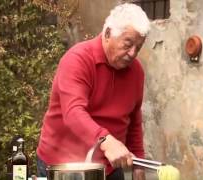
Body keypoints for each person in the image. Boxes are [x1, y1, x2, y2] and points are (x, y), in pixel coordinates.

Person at [36, 3, 150, 180]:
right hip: (64, 167)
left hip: (110, 166)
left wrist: (138, 162)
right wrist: (106, 140)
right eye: (128, 44)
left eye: (139, 47)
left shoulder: (136, 72)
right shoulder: (78, 60)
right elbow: (73, 112)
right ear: (107, 33)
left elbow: (133, 119)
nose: (132, 53)